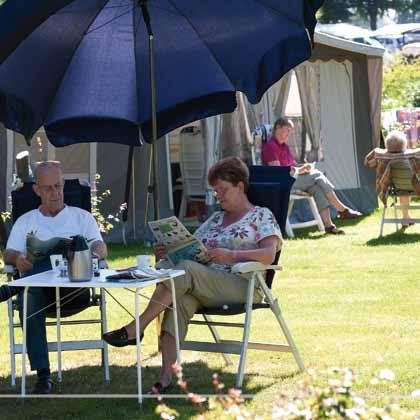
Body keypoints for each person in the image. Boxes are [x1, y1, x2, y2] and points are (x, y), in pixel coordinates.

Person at [103, 157, 282, 394]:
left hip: (242, 284)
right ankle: (165, 378)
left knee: (185, 269)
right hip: (203, 282)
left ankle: (138, 327)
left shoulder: (261, 215)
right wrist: (168, 249)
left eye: (223, 190)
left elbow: (269, 254)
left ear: (240, 186)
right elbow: (192, 246)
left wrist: (231, 256)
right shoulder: (216, 218)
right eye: (216, 190)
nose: (218, 195)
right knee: (179, 301)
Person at [2, 161, 107, 394]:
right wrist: (18, 259)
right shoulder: (26, 221)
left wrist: (87, 254)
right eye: (48, 188)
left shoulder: (82, 217)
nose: (55, 192)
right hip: (42, 295)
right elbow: (7, 253)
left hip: (74, 290)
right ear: (37, 190)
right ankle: (43, 375)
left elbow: (101, 248)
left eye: (58, 186)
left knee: (34, 283)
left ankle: (13, 289)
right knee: (31, 296)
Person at [262, 117, 362, 234]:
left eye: (290, 131)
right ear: (278, 128)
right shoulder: (270, 147)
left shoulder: (284, 147)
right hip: (283, 184)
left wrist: (304, 166)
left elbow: (293, 165)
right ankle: (341, 209)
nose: (289, 134)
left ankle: (329, 226)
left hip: (293, 180)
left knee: (317, 188)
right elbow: (278, 173)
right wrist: (299, 170)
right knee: (317, 175)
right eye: (287, 130)